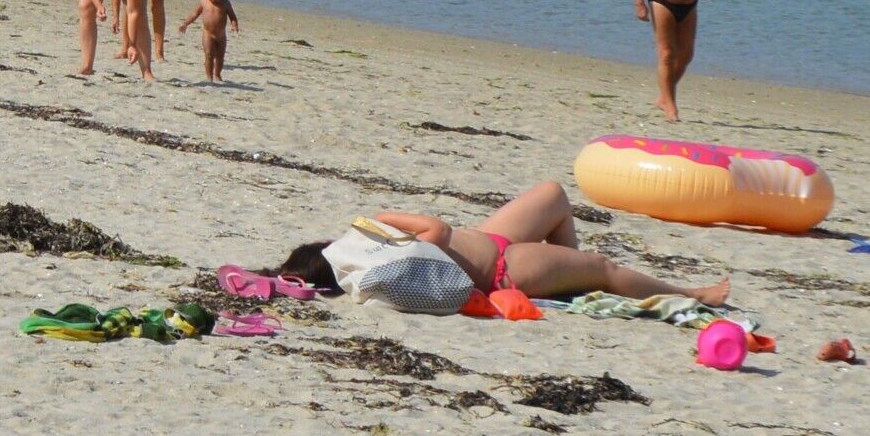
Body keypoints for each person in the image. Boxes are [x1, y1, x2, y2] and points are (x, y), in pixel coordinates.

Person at [277, 178, 729, 308]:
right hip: (504, 268)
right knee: (603, 265)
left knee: (554, 194)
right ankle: (691, 294)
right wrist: (382, 217)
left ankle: (573, 274)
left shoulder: (364, 255)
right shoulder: (373, 264)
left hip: (492, 238)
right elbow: (438, 232)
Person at [189, 0, 240, 82]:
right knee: (209, 55)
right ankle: (209, 77)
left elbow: (232, 16)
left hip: (221, 36)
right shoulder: (203, 2)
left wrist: (234, 25)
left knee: (220, 58)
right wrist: (185, 24)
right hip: (208, 34)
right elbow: (194, 14)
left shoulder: (226, 3)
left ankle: (217, 74)